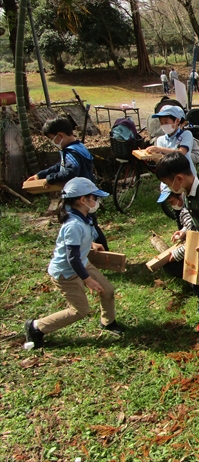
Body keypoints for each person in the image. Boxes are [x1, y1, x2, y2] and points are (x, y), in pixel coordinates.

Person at [23, 178, 123, 350]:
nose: (97, 201)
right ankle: (37, 327)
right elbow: (72, 258)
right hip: (66, 273)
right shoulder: (73, 225)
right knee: (79, 310)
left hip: (82, 263)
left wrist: (91, 244)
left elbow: (79, 245)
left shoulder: (84, 217)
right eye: (94, 197)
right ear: (83, 200)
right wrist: (88, 280)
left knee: (107, 290)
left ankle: (108, 322)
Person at [26, 116, 108, 250]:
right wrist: (40, 175)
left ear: (59, 135)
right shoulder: (77, 147)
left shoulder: (71, 152)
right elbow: (61, 166)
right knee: (90, 224)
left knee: (85, 226)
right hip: (87, 196)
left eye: (51, 139)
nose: (52, 142)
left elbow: (70, 171)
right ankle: (100, 253)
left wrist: (49, 179)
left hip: (80, 199)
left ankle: (98, 254)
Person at [156, 187, 199, 333]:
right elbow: (191, 227)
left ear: (180, 195)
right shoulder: (186, 209)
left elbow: (197, 236)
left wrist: (177, 254)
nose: (171, 205)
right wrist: (183, 231)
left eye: (171, 201)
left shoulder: (191, 207)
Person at [146, 106, 198, 179]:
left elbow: (181, 152)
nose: (164, 125)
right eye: (161, 123)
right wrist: (153, 157)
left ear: (177, 121)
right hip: (170, 178)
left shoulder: (186, 134)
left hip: (187, 178)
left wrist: (161, 149)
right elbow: (162, 160)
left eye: (166, 122)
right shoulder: (160, 139)